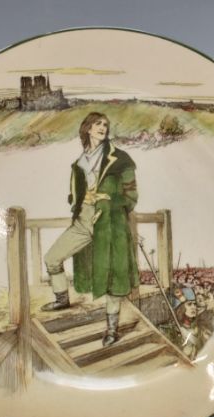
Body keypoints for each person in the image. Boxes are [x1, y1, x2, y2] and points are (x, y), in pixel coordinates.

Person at [40, 112, 140, 347]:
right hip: (83, 223)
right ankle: (62, 299)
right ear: (87, 128)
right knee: (52, 258)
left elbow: (132, 197)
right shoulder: (79, 164)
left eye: (105, 124)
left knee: (113, 280)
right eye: (98, 124)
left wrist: (108, 199)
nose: (103, 127)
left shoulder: (121, 159)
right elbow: (74, 196)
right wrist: (83, 199)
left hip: (110, 226)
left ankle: (112, 329)